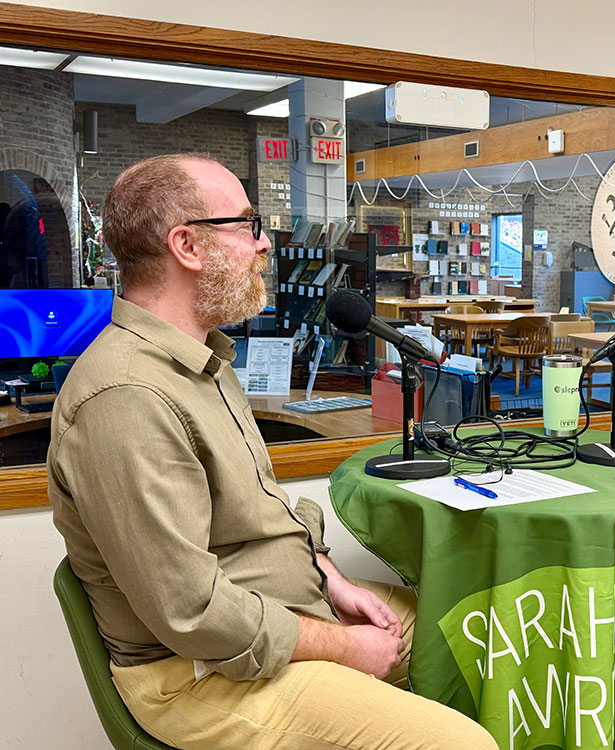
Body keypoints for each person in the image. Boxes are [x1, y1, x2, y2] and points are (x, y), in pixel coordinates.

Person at [47, 154, 498, 750]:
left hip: (285, 612)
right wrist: (344, 646)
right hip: (200, 675)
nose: (263, 244)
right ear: (187, 245)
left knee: (485, 637)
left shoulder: (205, 361)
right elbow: (193, 611)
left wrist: (330, 578)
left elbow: (259, 516)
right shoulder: (127, 397)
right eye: (247, 224)